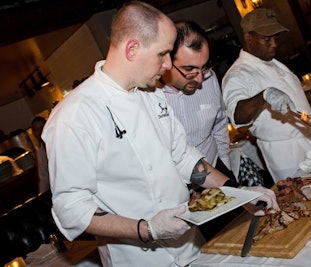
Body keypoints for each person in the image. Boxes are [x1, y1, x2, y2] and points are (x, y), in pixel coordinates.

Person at [42, 2, 279, 266]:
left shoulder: (152, 94)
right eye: (163, 54)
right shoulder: (73, 116)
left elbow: (185, 158)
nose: (167, 64)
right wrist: (148, 229)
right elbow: (71, 209)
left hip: (190, 245)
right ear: (132, 49)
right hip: (138, 259)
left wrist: (239, 194)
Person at [222, 8, 311, 182]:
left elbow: (290, 100)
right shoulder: (237, 74)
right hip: (287, 156)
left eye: (276, 37)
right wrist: (264, 95)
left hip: (310, 142)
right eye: (266, 38)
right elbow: (237, 116)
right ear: (248, 38)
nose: (275, 44)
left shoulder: (272, 62)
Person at [160, 21, 235, 182]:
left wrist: (225, 163)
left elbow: (220, 122)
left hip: (216, 168)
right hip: (179, 184)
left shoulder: (209, 78)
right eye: (189, 70)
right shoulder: (151, 96)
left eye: (203, 67)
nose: (200, 79)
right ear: (166, 62)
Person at [31, 116, 49, 193]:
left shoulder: (59, 143)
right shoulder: (40, 153)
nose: (40, 131)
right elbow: (44, 176)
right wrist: (42, 195)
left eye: (42, 127)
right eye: (36, 130)